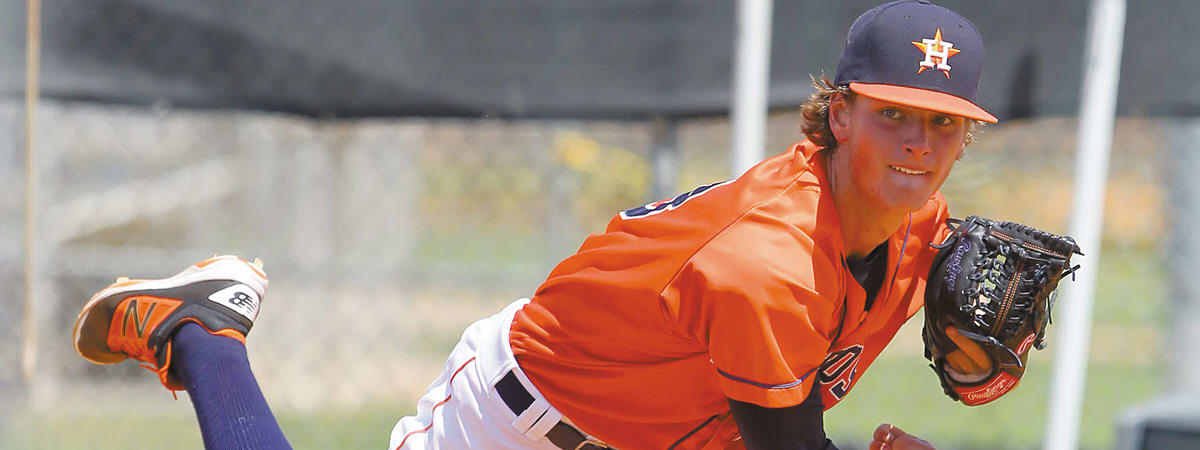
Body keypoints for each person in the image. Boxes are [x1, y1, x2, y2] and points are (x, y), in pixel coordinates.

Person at [73, 1, 1006, 448]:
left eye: (942, 124)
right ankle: (203, 332)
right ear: (839, 114)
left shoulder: (927, 237)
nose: (917, 145)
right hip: (528, 422)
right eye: (892, 114)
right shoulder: (768, 261)